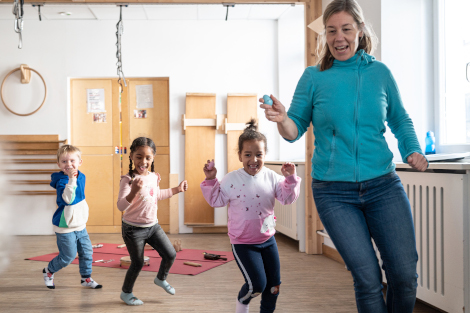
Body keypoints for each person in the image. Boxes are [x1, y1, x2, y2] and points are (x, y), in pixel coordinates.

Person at [260, 0, 428, 312]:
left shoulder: (380, 73)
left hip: (383, 185)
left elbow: (400, 119)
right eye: (331, 30)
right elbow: (294, 129)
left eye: (346, 29)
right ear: (325, 35)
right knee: (367, 279)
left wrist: (413, 150)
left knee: (404, 276)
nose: (339, 37)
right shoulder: (313, 77)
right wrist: (283, 118)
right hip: (334, 192)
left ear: (360, 31)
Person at [200, 120, 301, 313]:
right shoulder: (231, 179)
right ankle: (242, 305)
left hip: (268, 240)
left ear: (265, 155)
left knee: (273, 287)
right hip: (243, 243)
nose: (253, 159)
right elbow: (217, 200)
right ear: (240, 156)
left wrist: (290, 178)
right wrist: (211, 179)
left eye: (258, 154)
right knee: (257, 285)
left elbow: (287, 198)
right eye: (248, 154)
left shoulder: (272, 177)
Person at [117, 137, 188, 306]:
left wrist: (177, 189)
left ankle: (160, 279)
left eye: (148, 157)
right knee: (138, 262)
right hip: (133, 229)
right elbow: (121, 205)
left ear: (153, 158)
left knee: (170, 254)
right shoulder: (127, 179)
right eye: (139, 156)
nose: (143, 161)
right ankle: (126, 293)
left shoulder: (154, 177)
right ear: (132, 157)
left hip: (153, 226)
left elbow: (156, 195)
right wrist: (133, 191)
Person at [45, 144, 102, 289]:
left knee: (87, 252)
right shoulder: (62, 181)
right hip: (65, 225)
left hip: (80, 223)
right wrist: (71, 180)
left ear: (79, 162)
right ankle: (49, 271)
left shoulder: (81, 175)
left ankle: (86, 278)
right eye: (64, 162)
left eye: (72, 161)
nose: (68, 164)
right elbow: (68, 200)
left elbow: (80, 198)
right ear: (58, 164)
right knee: (68, 257)